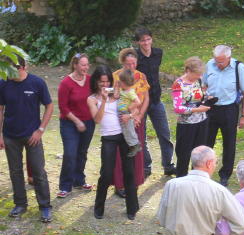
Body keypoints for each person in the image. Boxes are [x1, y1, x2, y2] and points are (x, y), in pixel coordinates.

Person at [0, 56, 54, 222]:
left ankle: (45, 206)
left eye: (10, 70)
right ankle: (20, 204)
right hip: (10, 136)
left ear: (22, 67)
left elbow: (49, 106)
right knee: (15, 172)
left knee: (38, 172)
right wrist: (0, 134)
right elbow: (0, 109)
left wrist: (40, 130)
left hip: (32, 136)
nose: (7, 74)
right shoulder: (3, 84)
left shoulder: (37, 83)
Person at [87, 65, 139, 220]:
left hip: (124, 136)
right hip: (108, 137)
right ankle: (99, 207)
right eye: (101, 82)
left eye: (107, 81)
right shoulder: (91, 99)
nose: (104, 85)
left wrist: (129, 116)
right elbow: (97, 119)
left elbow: (136, 107)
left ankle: (132, 208)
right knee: (107, 173)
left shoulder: (119, 93)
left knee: (129, 171)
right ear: (96, 82)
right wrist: (103, 101)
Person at [203, 45, 244, 187]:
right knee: (206, 142)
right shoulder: (209, 65)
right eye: (216, 61)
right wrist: (205, 95)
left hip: (229, 110)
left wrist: (243, 115)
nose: (218, 64)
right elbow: (204, 85)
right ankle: (203, 172)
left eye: (221, 61)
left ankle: (225, 175)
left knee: (229, 144)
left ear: (229, 58)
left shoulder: (239, 68)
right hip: (210, 108)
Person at [134, 27, 176, 177]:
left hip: (156, 100)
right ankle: (146, 166)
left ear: (151, 39)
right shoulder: (135, 57)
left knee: (164, 134)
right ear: (138, 42)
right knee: (141, 136)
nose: (146, 43)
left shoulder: (158, 53)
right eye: (142, 40)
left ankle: (168, 165)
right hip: (141, 102)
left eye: (148, 39)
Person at [112, 48, 149, 198]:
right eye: (128, 64)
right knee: (120, 152)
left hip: (136, 119)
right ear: (123, 63)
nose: (131, 67)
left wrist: (139, 115)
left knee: (135, 149)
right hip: (120, 119)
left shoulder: (141, 76)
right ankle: (120, 184)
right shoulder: (116, 76)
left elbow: (145, 98)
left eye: (134, 63)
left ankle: (134, 182)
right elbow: (113, 97)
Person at [57, 53, 94, 198]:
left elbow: (96, 98)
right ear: (75, 65)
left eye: (87, 64)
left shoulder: (91, 81)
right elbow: (63, 107)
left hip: (88, 122)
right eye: (83, 65)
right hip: (69, 123)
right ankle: (65, 186)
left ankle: (79, 180)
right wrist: (77, 121)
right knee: (70, 153)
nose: (86, 67)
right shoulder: (66, 83)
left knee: (82, 152)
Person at [171, 57, 210, 177]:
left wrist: (208, 98)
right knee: (184, 155)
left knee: (199, 155)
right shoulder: (179, 84)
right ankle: (181, 179)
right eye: (196, 74)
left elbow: (200, 96)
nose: (199, 77)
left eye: (200, 74)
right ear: (188, 70)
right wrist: (196, 109)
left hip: (201, 122)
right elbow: (178, 108)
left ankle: (197, 178)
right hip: (186, 125)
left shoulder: (198, 80)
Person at [115, 69, 142, 157]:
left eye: (120, 81)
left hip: (125, 112)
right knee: (125, 130)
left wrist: (131, 107)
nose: (119, 82)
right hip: (120, 113)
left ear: (125, 82)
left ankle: (135, 145)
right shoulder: (123, 90)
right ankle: (133, 144)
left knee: (128, 130)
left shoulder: (130, 92)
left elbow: (138, 102)